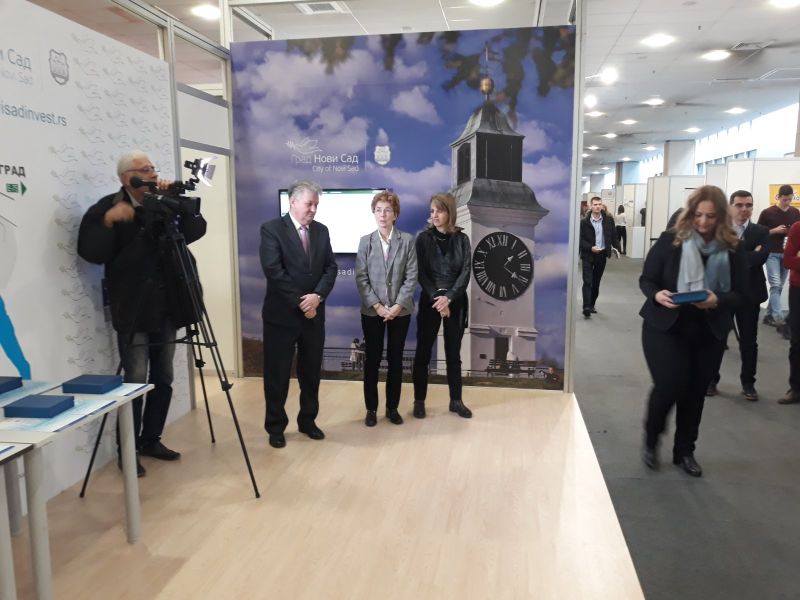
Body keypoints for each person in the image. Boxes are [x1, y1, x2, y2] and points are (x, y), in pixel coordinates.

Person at [77, 150, 207, 477]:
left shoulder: (164, 202)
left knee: (163, 376)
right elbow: (91, 252)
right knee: (134, 381)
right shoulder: (107, 208)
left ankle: (152, 439)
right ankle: (128, 449)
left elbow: (195, 230)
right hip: (133, 308)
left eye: (153, 168)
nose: (152, 174)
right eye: (144, 169)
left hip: (168, 306)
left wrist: (175, 200)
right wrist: (109, 222)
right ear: (126, 177)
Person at [639, 185, 747, 477]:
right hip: (665, 326)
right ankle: (651, 439)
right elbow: (647, 279)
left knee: (695, 392)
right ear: (690, 213)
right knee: (669, 385)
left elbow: (742, 294)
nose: (703, 221)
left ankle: (685, 451)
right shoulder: (670, 240)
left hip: (708, 330)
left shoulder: (733, 248)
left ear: (721, 216)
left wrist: (717, 299)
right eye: (698, 215)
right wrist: (657, 295)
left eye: (710, 216)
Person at [259, 181, 337, 449]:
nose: (313, 209)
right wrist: (302, 302)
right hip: (281, 317)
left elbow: (330, 268)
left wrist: (318, 297)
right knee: (277, 374)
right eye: (309, 204)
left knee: (311, 372)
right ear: (292, 202)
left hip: (314, 316)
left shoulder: (322, 231)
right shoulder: (271, 229)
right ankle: (275, 427)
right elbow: (273, 270)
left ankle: (308, 421)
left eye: (316, 205)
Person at [355, 190, 418, 427]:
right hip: (372, 312)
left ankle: (392, 408)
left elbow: (411, 277)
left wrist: (397, 305)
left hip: (400, 312)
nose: (383, 215)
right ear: (374, 213)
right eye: (378, 210)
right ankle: (371, 409)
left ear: (396, 214)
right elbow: (361, 278)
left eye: (388, 210)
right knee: (371, 360)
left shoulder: (408, 241)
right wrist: (378, 306)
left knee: (395, 359)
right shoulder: (365, 242)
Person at [412, 192, 472, 419]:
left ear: (450, 212)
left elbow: (465, 273)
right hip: (431, 301)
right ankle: (419, 401)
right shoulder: (423, 239)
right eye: (432, 211)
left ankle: (456, 401)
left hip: (455, 302)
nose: (434, 215)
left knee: (453, 354)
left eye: (439, 210)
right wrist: (439, 298)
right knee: (423, 353)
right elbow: (421, 273)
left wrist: (449, 298)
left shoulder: (462, 240)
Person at [707, 190, 769, 400]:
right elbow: (714, 257)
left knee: (749, 341)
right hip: (723, 294)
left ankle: (748, 384)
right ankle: (711, 380)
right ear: (730, 207)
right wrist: (749, 254)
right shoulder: (719, 230)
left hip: (750, 295)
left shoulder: (761, 231)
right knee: (717, 339)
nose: (744, 209)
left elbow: (761, 258)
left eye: (748, 205)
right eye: (740, 205)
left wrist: (733, 256)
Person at [757, 184, 799, 326]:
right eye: (784, 199)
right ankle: (778, 317)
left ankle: (768, 315)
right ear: (778, 197)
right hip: (771, 253)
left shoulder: (795, 212)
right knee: (775, 284)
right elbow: (758, 232)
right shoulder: (767, 212)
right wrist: (774, 230)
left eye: (789, 199)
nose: (787, 202)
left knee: (779, 286)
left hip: (787, 254)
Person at [579, 196, 619, 318]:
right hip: (588, 254)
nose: (597, 206)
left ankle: (592, 304)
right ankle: (586, 306)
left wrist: (617, 248)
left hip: (601, 255)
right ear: (590, 206)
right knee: (587, 281)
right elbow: (580, 240)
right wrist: (590, 247)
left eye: (599, 204)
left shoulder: (608, 220)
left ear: (602, 206)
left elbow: (613, 235)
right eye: (595, 204)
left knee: (596, 282)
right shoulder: (584, 222)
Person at [780, 217, 800, 404]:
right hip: (798, 289)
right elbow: (788, 260)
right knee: (797, 341)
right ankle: (796, 388)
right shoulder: (797, 228)